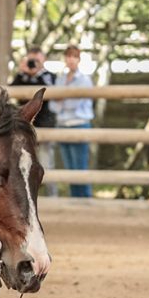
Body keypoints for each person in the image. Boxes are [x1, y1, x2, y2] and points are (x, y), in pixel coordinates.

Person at [11, 46, 58, 197]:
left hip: (44, 125)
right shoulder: (22, 77)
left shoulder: (49, 76)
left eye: (37, 60)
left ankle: (52, 197)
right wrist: (21, 72)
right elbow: (12, 90)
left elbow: (49, 92)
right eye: (31, 60)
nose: (33, 63)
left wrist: (37, 73)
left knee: (46, 162)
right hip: (24, 127)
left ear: (44, 60)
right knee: (22, 163)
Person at [54, 45, 94, 198]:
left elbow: (74, 104)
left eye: (74, 56)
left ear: (79, 59)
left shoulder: (84, 80)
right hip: (62, 125)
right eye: (68, 56)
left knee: (80, 167)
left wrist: (61, 98)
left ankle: (85, 200)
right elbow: (52, 105)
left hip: (79, 124)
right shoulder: (60, 79)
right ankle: (75, 199)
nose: (71, 59)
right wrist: (63, 99)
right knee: (69, 168)